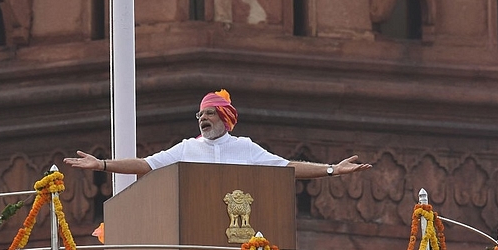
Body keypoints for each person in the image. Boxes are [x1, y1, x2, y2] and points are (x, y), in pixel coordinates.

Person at [64, 89, 372, 178]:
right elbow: (145, 164)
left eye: (209, 113)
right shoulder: (186, 149)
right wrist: (102, 165)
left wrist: (332, 169)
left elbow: (287, 168)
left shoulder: (245, 148)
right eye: (200, 115)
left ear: (225, 118)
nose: (202, 119)